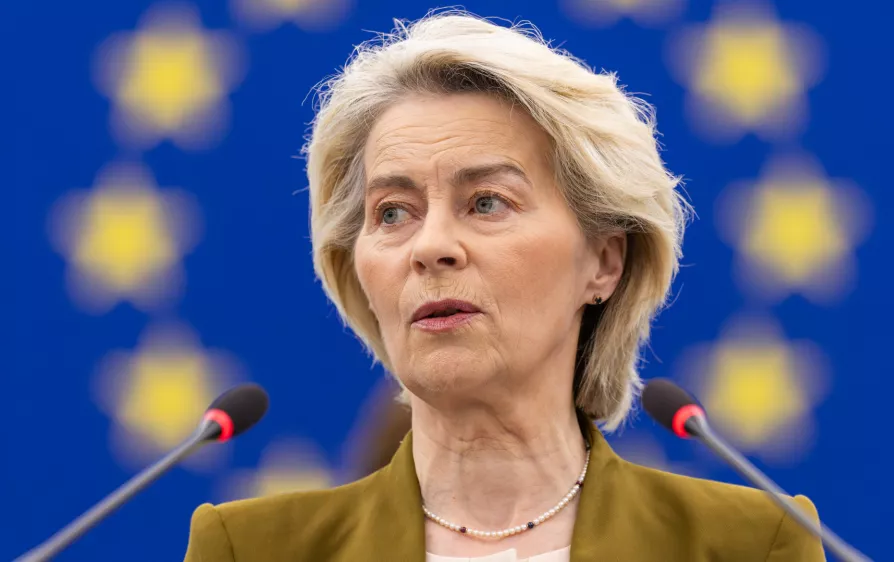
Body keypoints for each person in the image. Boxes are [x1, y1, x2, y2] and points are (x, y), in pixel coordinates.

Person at [183, 11, 824, 562]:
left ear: (603, 261)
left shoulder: (748, 544)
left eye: (487, 202)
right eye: (393, 212)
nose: (431, 246)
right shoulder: (250, 549)